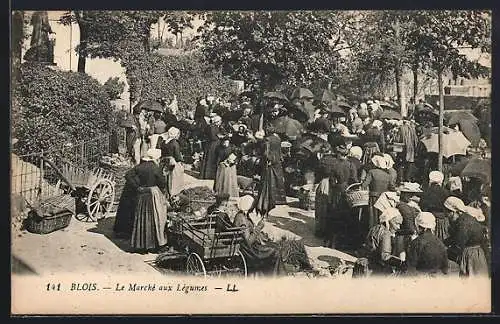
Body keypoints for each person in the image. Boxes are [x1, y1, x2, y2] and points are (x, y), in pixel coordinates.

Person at [127, 149, 168, 253]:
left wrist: (137, 187)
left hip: (141, 195)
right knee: (154, 218)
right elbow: (162, 182)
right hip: (151, 195)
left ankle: (140, 245)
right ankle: (152, 245)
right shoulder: (155, 168)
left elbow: (128, 175)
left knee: (141, 218)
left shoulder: (140, 167)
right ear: (156, 158)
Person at [232, 195, 283, 276]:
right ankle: (277, 277)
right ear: (247, 206)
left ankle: (274, 275)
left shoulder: (243, 215)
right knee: (275, 251)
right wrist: (259, 227)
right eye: (252, 205)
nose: (253, 208)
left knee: (275, 247)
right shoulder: (242, 219)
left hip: (248, 247)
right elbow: (248, 241)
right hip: (248, 251)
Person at [444, 197, 489, 277]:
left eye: (448, 213)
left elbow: (459, 244)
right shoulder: (466, 218)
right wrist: (443, 243)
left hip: (470, 255)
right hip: (478, 252)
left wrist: (445, 251)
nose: (447, 216)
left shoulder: (463, 223)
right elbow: (455, 237)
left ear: (454, 212)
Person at [254, 125, 287, 219]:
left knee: (267, 183)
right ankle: (276, 199)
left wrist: (266, 159)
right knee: (276, 181)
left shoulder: (267, 140)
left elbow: (266, 153)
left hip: (269, 164)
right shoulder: (278, 139)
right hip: (277, 163)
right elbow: (279, 151)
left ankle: (265, 202)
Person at [405, 212, 449, 277]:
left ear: (421, 227)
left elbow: (411, 266)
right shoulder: (439, 242)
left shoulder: (416, 242)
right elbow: (445, 267)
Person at [363, 207, 405, 276]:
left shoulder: (374, 228)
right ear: (388, 221)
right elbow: (385, 256)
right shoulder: (386, 233)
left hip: (366, 267)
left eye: (400, 224)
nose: (398, 227)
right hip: (376, 271)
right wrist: (401, 263)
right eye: (397, 223)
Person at [362, 154, 396, 230]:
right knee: (381, 216)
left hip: (373, 197)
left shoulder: (372, 172)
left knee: (372, 217)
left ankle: (372, 231)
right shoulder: (388, 175)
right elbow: (392, 187)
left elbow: (364, 184)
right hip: (383, 199)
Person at [420, 171, 451, 242]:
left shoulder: (426, 191)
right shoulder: (445, 192)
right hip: (442, 219)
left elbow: (422, 205)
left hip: (430, 218)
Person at [157, 127, 184, 199]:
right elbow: (177, 155)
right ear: (175, 134)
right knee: (173, 179)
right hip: (172, 161)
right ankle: (173, 194)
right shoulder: (174, 143)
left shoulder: (164, 142)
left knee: (165, 178)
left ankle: (165, 194)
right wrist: (180, 162)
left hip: (164, 161)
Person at [200, 115, 223, 179]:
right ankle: (208, 175)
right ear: (217, 121)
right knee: (210, 159)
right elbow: (213, 137)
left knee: (210, 159)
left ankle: (209, 175)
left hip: (212, 144)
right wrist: (220, 137)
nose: (220, 122)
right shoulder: (212, 127)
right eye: (220, 121)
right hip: (213, 145)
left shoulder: (212, 126)